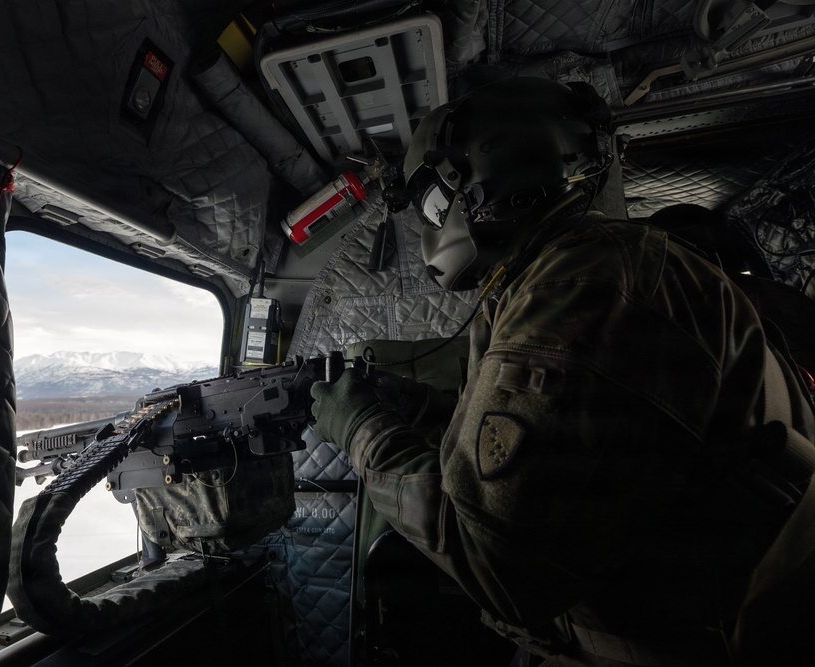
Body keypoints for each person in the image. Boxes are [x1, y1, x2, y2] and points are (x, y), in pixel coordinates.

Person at [309, 77, 815, 666]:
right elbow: (565, 441)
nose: (431, 226)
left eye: (433, 204)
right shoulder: (579, 267)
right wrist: (424, 409)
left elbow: (495, 565)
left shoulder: (579, 288)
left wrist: (360, 431)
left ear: (477, 182)